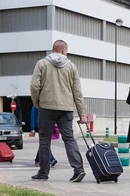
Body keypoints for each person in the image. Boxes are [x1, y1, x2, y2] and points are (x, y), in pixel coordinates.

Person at [30, 39, 87, 182]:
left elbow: (34, 86)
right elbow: (77, 92)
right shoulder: (71, 67)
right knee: (69, 139)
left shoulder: (41, 64)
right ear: (64, 50)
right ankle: (78, 169)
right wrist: (82, 114)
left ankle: (43, 173)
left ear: (53, 49)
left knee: (44, 140)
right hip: (66, 108)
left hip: (46, 107)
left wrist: (38, 102)